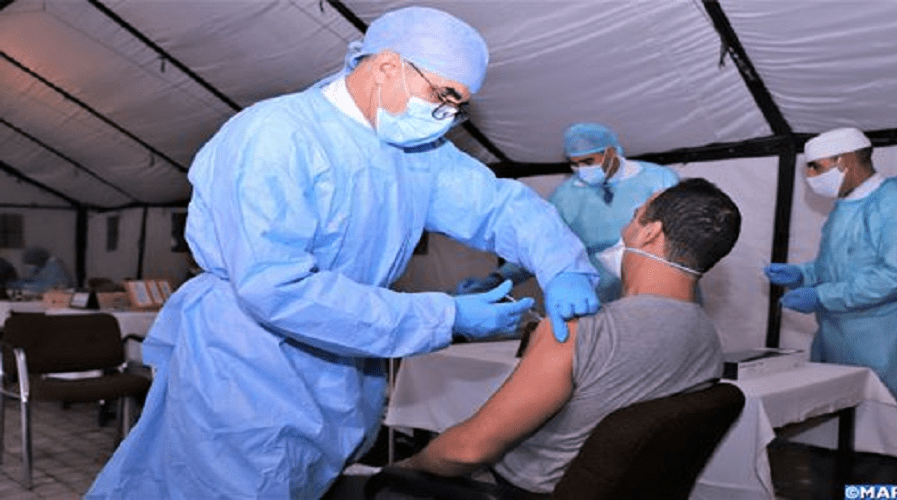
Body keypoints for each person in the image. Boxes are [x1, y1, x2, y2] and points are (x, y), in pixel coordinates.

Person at [86, 7, 599, 500]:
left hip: (340, 363)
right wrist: (446, 315)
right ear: (387, 66)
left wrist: (562, 265)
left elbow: (499, 207)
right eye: (443, 96)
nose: (447, 116)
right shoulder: (275, 135)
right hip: (246, 362)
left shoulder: (416, 153)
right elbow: (276, 287)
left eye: (458, 106)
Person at [398, 178, 741, 494]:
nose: (625, 227)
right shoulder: (707, 338)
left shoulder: (578, 331)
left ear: (650, 233)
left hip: (516, 489)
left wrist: (402, 468)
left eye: (635, 216)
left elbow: (467, 451)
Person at [456, 122, 679, 305]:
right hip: (599, 297)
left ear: (611, 152)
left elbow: (683, 234)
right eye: (575, 164)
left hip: (656, 289)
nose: (582, 170)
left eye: (588, 162)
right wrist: (499, 278)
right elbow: (542, 245)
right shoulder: (564, 197)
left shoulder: (658, 179)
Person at [764, 127, 897, 402]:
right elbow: (835, 265)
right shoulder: (845, 206)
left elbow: (893, 277)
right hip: (833, 337)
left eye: (816, 166)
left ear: (845, 161)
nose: (810, 176)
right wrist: (802, 275)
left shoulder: (891, 203)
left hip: (877, 343)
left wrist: (822, 296)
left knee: (878, 418)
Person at [6, 246, 74, 295]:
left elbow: (49, 287)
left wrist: (25, 286)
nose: (30, 267)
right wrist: (25, 281)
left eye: (30, 263)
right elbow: (38, 280)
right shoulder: (43, 267)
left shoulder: (54, 266)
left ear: (37, 260)